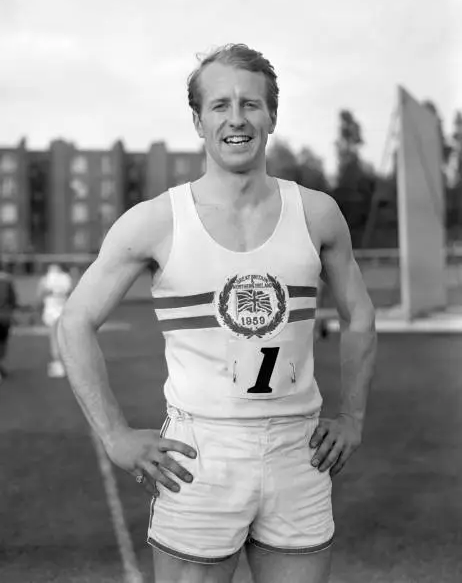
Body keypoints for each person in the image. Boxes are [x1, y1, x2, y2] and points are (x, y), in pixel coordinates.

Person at [57, 44, 377, 583]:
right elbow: (74, 323)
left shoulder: (317, 212)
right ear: (198, 120)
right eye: (220, 105)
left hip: (298, 451)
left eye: (251, 104)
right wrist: (114, 435)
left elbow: (361, 317)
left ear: (272, 115)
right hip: (200, 453)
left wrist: (352, 418)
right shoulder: (155, 221)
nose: (236, 119)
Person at [37, 263, 73, 378]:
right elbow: (70, 292)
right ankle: (65, 364)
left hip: (52, 311)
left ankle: (58, 364)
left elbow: (39, 294)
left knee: (54, 338)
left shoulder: (46, 279)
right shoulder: (66, 278)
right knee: (63, 338)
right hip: (63, 310)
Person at [0, 261, 18, 383]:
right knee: (2, 341)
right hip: (4, 315)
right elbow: (13, 299)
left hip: (3, 314)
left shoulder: (6, 280)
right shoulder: (7, 280)